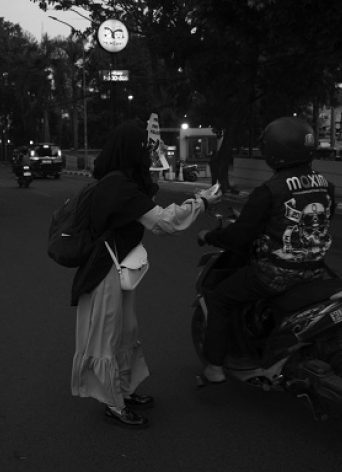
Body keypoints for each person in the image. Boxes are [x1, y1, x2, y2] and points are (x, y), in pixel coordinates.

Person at [71, 121, 221, 429]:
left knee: (126, 332)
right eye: (143, 147)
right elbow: (163, 222)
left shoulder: (122, 182)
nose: (148, 151)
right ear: (129, 150)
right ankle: (113, 404)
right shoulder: (117, 186)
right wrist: (201, 202)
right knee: (107, 338)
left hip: (117, 267)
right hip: (103, 272)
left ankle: (123, 390)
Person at [197, 117, 336, 383]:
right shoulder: (326, 185)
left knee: (219, 298)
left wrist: (210, 236)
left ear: (274, 152)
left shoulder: (269, 190)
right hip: (315, 272)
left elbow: (239, 237)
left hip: (275, 274)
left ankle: (214, 368)